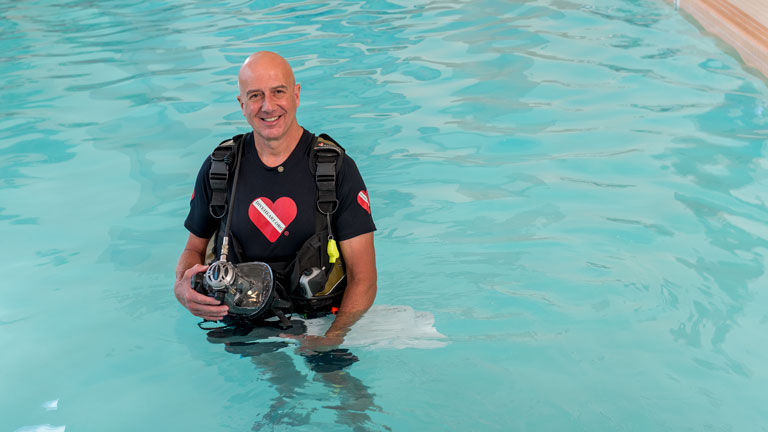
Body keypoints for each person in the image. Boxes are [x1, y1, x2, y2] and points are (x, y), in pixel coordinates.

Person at [173, 51, 377, 350]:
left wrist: (332, 338)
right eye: (255, 96)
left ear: (296, 95)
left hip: (321, 319)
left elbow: (364, 278)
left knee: (345, 392)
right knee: (274, 390)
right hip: (243, 321)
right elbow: (193, 250)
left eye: (278, 92)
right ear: (242, 105)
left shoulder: (335, 169)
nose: (268, 106)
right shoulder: (221, 167)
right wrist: (182, 289)